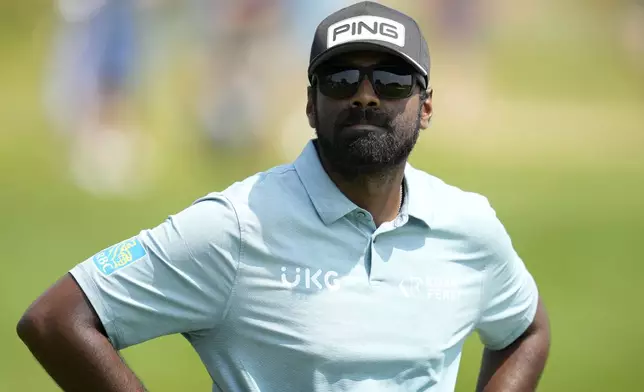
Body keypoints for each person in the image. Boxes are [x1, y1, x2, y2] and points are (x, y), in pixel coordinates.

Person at [17, 2, 550, 391]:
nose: (365, 94)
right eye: (340, 79)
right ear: (311, 106)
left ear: (426, 106)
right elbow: (55, 319)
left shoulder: (468, 224)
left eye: (390, 79)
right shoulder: (236, 225)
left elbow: (525, 329)